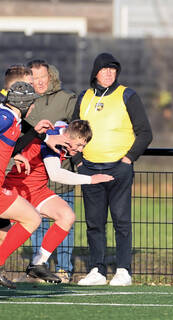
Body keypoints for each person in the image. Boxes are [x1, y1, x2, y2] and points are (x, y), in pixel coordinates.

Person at [73, 52, 152, 286]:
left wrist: (127, 159)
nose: (108, 73)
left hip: (119, 169)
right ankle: (97, 270)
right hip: (89, 170)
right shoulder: (84, 97)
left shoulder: (127, 95)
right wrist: (78, 161)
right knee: (94, 222)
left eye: (113, 69)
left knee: (121, 221)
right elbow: (72, 132)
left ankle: (123, 270)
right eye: (104, 69)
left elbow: (145, 133)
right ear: (95, 72)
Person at [4, 119, 114, 283]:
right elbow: (56, 174)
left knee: (67, 216)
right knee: (4, 237)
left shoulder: (62, 131)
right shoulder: (55, 142)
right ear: (69, 137)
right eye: (79, 145)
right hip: (19, 188)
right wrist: (91, 179)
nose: (80, 150)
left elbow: (60, 122)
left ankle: (37, 264)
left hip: (38, 189)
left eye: (83, 146)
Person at [25, 59, 77, 282]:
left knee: (64, 220)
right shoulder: (25, 101)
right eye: (35, 78)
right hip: (33, 176)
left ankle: (64, 269)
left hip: (60, 172)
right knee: (35, 223)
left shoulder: (67, 99)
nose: (39, 82)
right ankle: (39, 268)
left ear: (51, 76)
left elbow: (78, 128)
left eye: (43, 77)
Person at [0, 81, 43, 289]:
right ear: (23, 103)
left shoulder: (13, 120)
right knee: (32, 218)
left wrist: (16, 154)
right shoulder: (6, 117)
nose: (33, 107)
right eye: (32, 102)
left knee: (10, 227)